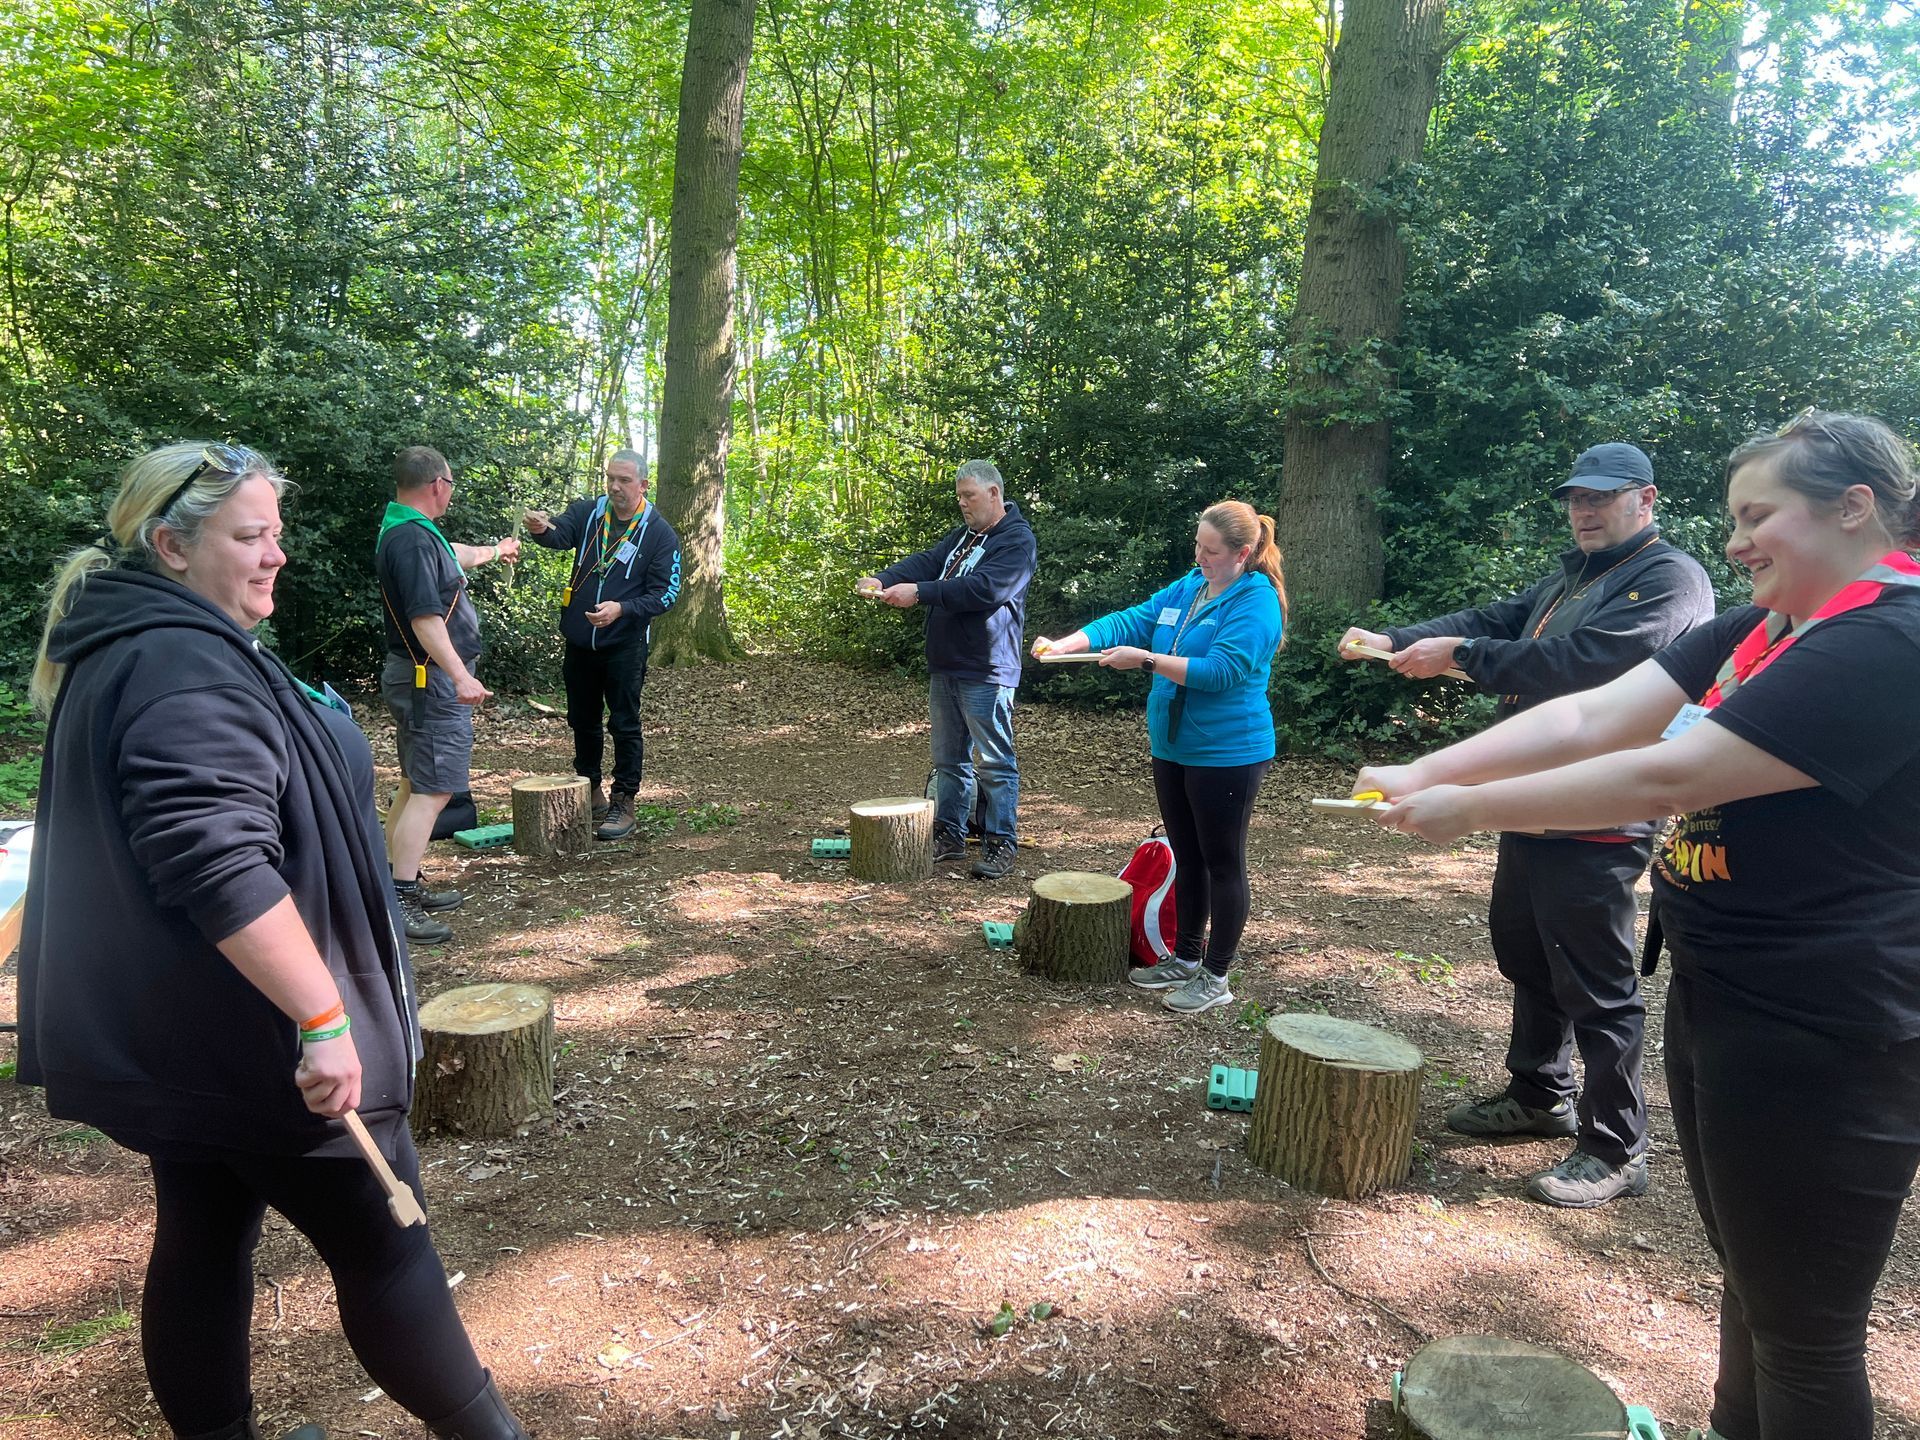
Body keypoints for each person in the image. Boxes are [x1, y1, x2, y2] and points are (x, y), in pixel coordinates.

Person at [1357, 411, 1920, 1440]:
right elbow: (1594, 713)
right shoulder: (1765, 627)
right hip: (1727, 994)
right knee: (1752, 1282)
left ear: (1856, 508)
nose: (1739, 541)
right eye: (1732, 517)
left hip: (1834, 1027)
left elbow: (1672, 770)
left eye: (1759, 515)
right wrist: (1428, 770)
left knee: (1804, 1330)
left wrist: (1470, 806)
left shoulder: (1891, 636)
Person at [17, 443, 531, 1440]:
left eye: (278, 535)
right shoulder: (174, 664)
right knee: (390, 1252)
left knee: (204, 1232)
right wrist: (323, 1016)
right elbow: (216, 863)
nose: (276, 557)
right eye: (249, 537)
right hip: (269, 1051)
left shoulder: (154, 637)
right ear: (170, 544)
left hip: (191, 1040)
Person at [1338, 441, 1713, 1208]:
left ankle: (1617, 1147)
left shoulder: (1669, 578)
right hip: (1533, 796)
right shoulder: (1573, 576)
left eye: (1602, 498)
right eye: (1577, 497)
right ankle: (1540, 1093)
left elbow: (1587, 666)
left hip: (1601, 806)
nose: (1584, 510)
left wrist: (1465, 655)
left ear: (1646, 500)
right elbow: (1495, 618)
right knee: (1527, 947)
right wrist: (1402, 640)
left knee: (1595, 980)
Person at [1032, 501, 1286, 1014]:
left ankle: (1216, 976)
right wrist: (1066, 644)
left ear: (1244, 553)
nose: (1200, 557)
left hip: (1227, 752)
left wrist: (1146, 660)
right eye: (1197, 546)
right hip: (1173, 747)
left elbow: (1220, 672)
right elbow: (1133, 619)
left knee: (1222, 863)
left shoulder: (1256, 601)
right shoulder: (1191, 587)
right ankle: (1186, 957)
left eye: (1211, 551)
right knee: (1186, 855)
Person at [859, 460, 1037, 881]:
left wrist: (920, 593)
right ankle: (950, 835)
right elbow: (928, 561)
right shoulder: (963, 537)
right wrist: (882, 578)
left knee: (993, 760)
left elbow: (984, 589)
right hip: (947, 666)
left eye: (968, 496)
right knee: (948, 760)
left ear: (994, 494)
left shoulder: (1016, 540)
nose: (962, 504)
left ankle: (1000, 841)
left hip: (987, 668)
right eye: (959, 496)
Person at [376, 445, 519, 943]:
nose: (451, 492)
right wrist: (460, 675)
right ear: (438, 483)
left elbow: (454, 555)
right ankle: (400, 899)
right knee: (435, 789)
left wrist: (496, 551)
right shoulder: (412, 541)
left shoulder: (411, 530)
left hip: (419, 676)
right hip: (429, 678)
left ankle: (398, 879)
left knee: (418, 782)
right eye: (452, 484)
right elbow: (424, 618)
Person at [523, 449, 681, 841]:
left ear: (643, 485)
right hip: (580, 640)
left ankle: (624, 799)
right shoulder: (590, 513)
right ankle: (588, 788)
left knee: (624, 722)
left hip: (624, 643)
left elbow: (667, 594)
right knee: (582, 718)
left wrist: (623, 609)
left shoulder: (659, 532)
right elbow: (559, 536)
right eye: (611, 478)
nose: (614, 486)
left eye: (624, 480)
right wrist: (541, 528)